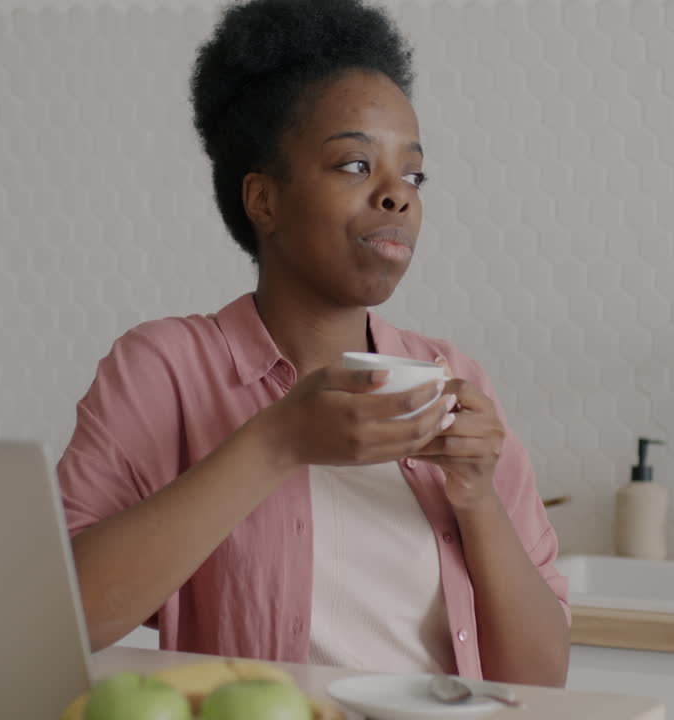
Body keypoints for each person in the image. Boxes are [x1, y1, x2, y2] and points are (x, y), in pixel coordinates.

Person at [57, 0, 570, 685]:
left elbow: (541, 679)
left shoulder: (455, 379)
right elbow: (63, 616)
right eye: (355, 165)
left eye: (413, 174)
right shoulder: (164, 369)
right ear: (264, 201)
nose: (397, 195)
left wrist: (477, 498)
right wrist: (278, 442)